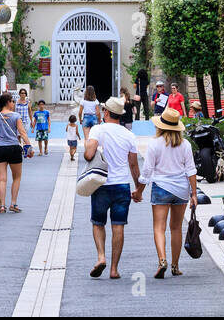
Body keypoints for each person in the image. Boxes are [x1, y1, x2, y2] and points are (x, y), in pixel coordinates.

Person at [84, 96, 142, 280]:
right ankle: (114, 269)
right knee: (118, 226)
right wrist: (138, 189)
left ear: (107, 112)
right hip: (121, 186)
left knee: (98, 223)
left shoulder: (97, 130)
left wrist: (92, 146)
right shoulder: (129, 135)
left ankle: (101, 257)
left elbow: (88, 155)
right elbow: (133, 165)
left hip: (101, 184)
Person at [136, 108, 198, 278]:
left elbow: (147, 171)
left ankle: (162, 260)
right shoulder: (185, 144)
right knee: (176, 228)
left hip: (161, 187)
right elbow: (191, 170)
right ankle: (175, 266)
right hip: (181, 190)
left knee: (159, 227)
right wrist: (194, 194)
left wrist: (139, 191)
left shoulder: (154, 144)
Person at [0, 93, 31, 213]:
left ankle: (2, 205)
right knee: (17, 177)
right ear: (8, 102)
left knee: (2, 179)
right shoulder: (16, 116)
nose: (13, 103)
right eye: (12, 101)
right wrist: (28, 147)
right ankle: (13, 203)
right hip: (13, 148)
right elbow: (22, 133)